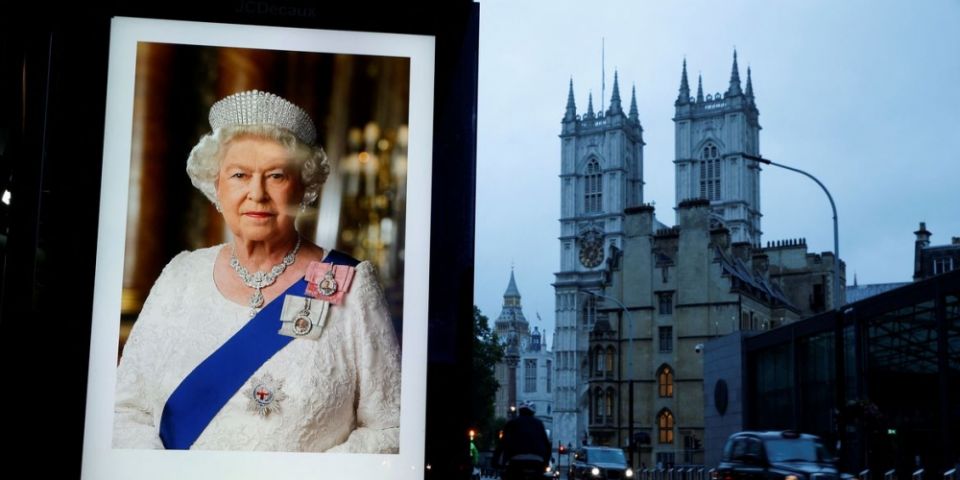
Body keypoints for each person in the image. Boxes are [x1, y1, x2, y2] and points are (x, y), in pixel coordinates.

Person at [113, 90, 400, 453]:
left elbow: (392, 427)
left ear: (304, 186)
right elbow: (125, 410)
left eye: (276, 175)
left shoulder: (351, 284)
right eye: (239, 175)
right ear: (216, 185)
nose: (257, 193)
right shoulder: (179, 276)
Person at [493, 401, 552, 480]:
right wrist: (546, 463)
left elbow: (502, 444)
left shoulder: (511, 423)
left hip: (516, 461)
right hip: (536, 461)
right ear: (533, 412)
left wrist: (495, 461)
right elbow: (547, 445)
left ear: (519, 411)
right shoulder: (539, 424)